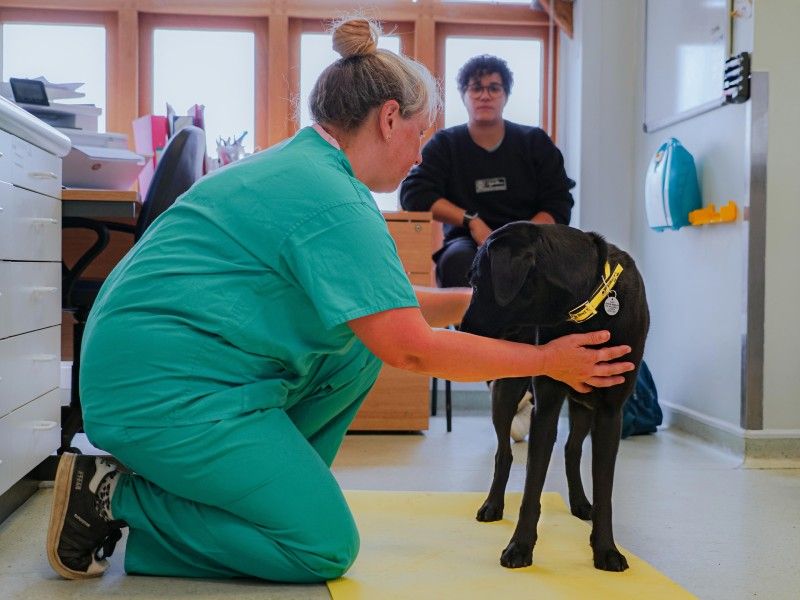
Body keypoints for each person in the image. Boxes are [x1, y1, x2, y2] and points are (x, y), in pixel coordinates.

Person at [47, 18, 633, 583]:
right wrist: (550, 361)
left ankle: (252, 495)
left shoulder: (308, 170)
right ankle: (115, 497)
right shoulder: (337, 203)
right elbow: (417, 353)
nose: (419, 152)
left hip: (159, 369)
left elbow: (393, 307)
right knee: (321, 546)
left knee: (356, 348)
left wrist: (479, 302)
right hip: (158, 390)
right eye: (419, 133)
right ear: (387, 119)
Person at [400, 54, 575, 442]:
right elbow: (414, 194)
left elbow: (560, 203)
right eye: (476, 87)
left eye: (493, 87)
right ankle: (501, 378)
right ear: (464, 95)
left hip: (531, 245)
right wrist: (471, 220)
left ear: (505, 95)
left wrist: (521, 237)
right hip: (469, 244)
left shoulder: (533, 143)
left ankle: (519, 382)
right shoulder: (446, 144)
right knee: (461, 261)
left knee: (543, 279)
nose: (484, 95)